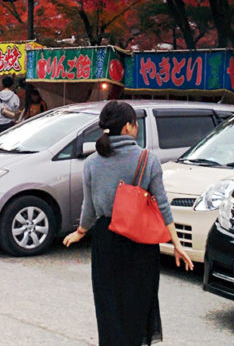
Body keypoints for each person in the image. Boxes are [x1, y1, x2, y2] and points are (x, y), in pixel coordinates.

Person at [62, 101, 192, 346]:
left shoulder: (92, 163)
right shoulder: (147, 159)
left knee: (108, 302)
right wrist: (177, 243)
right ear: (127, 127)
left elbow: (89, 208)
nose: (136, 128)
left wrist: (80, 232)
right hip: (141, 241)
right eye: (135, 123)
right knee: (139, 301)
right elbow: (162, 204)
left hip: (106, 239)